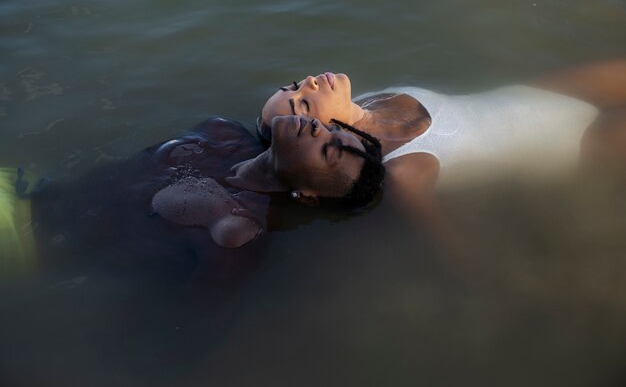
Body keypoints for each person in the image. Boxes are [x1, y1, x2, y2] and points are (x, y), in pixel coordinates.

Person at [0, 115, 385, 278]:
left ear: (309, 197)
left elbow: (199, 322)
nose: (318, 128)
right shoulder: (223, 133)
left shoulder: (236, 231)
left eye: (329, 150)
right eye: (330, 127)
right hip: (27, 186)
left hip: (24, 241)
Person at [258, 60, 626, 216]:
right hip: (566, 144)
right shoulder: (401, 171)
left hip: (536, 94)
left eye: (292, 86)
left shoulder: (362, 101)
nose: (307, 83)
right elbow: (454, 250)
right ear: (316, 133)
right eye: (304, 105)